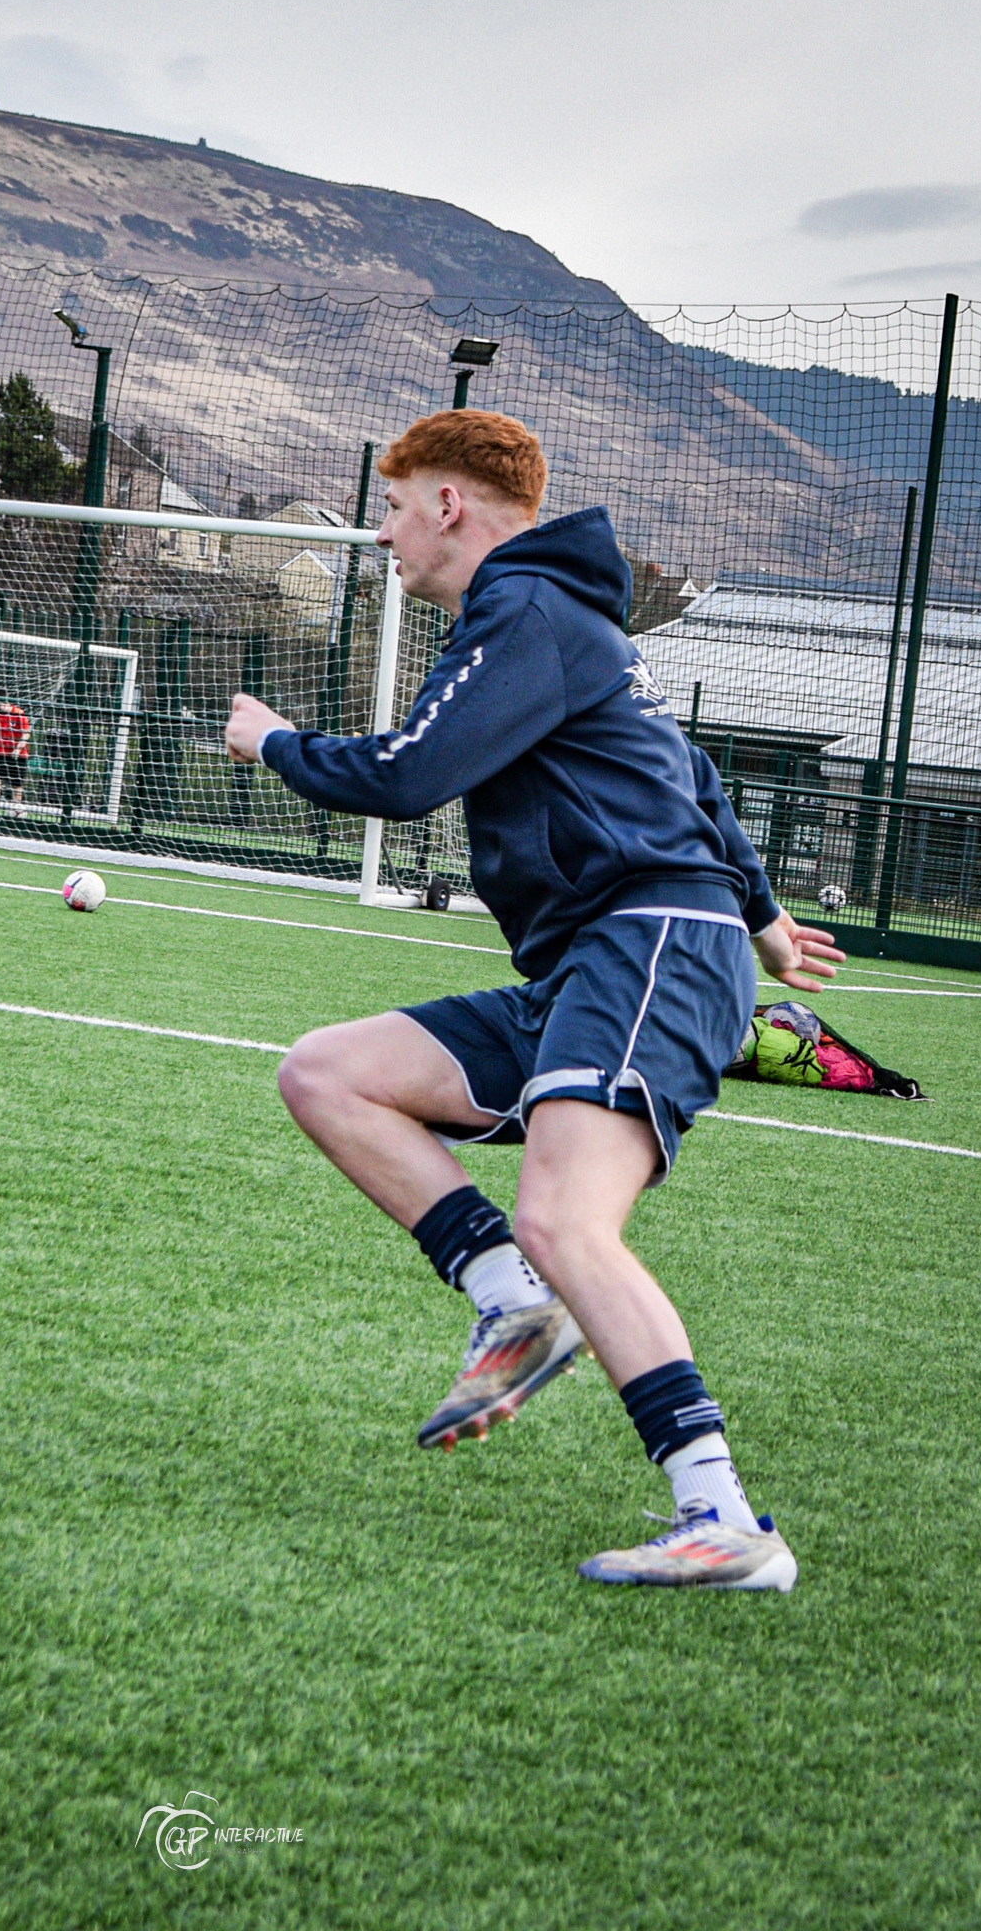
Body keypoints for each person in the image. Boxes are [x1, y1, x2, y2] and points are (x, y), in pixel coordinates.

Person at [223, 411, 842, 1590]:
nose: (383, 534)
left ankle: (722, 1519)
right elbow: (692, 776)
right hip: (602, 961)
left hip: (645, 945)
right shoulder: (559, 619)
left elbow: (411, 774)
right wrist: (762, 917)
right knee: (327, 1074)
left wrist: (276, 743)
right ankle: (511, 1301)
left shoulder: (525, 609)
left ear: (448, 504)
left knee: (565, 1223)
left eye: (393, 508)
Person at [0, 699, 32, 811]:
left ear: (7, 703)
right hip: (1, 752)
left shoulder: (19, 713)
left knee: (17, 784)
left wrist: (17, 749)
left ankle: (16, 808)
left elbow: (26, 733)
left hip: (18, 754)